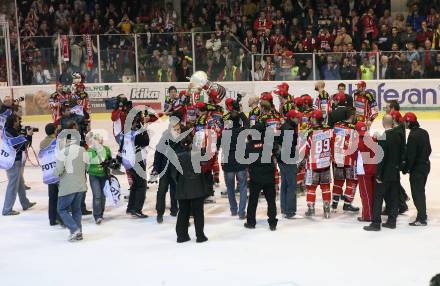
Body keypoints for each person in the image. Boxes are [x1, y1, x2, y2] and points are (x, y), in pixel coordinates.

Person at [364, 115, 404, 231]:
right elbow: (402, 153)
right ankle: (392, 221)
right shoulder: (398, 136)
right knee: (393, 197)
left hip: (384, 174)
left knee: (378, 197)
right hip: (395, 172)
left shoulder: (383, 137)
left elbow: (381, 158)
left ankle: (376, 223)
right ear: (392, 123)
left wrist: (378, 174)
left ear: (383, 123)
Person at [245, 100, 278, 231]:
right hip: (269, 174)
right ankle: (272, 223)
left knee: (253, 200)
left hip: (256, 176)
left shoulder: (250, 145)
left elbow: (246, 159)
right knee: (271, 201)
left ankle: (251, 222)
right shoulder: (269, 142)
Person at [173, 133, 209, 243]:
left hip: (182, 187)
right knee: (198, 213)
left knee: (183, 212)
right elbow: (206, 162)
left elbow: (174, 174)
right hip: (197, 187)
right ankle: (200, 236)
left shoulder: (176, 156)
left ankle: (181, 236)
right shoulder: (197, 153)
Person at [55, 123, 87, 242]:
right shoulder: (83, 150)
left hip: (68, 187)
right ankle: (79, 232)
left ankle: (74, 230)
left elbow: (58, 170)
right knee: (76, 210)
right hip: (81, 185)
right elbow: (87, 166)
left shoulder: (63, 152)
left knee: (62, 210)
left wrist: (55, 174)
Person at [2, 115, 36, 216]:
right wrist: (28, 136)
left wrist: (23, 135)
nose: (19, 122)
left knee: (20, 183)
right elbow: (21, 147)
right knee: (12, 186)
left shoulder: (7, 130)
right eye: (17, 121)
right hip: (13, 162)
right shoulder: (11, 132)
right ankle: (7, 209)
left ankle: (25, 203)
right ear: (13, 122)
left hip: (10, 160)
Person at [403, 112, 431, 226]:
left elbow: (411, 156)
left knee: (417, 193)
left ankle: (422, 218)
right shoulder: (424, 132)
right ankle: (422, 214)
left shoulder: (413, 135)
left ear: (409, 122)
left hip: (417, 169)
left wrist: (406, 168)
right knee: (420, 191)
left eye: (405, 122)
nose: (404, 124)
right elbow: (429, 149)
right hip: (425, 166)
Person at [304, 110, 333, 218]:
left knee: (311, 188)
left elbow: (305, 150)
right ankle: (327, 211)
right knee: (326, 187)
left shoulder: (310, 132)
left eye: (311, 117)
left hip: (313, 165)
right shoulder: (328, 131)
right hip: (325, 164)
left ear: (314, 119)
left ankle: (311, 209)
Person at [330, 107, 359, 212]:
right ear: (352, 116)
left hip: (337, 159)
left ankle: (334, 205)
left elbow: (331, 141)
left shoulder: (335, 126)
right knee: (352, 181)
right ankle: (347, 204)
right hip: (349, 160)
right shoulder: (353, 129)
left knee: (338, 181)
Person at [154, 119, 183, 223]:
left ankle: (174, 210)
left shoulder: (182, 139)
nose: (178, 131)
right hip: (165, 170)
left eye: (179, 129)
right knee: (162, 191)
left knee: (175, 190)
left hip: (176, 170)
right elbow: (158, 154)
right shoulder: (164, 139)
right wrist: (156, 169)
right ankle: (160, 213)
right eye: (175, 129)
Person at [123, 111, 150, 218]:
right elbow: (145, 142)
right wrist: (144, 128)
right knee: (141, 186)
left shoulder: (125, 132)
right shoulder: (136, 133)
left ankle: (130, 207)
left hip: (128, 162)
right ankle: (137, 209)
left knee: (135, 185)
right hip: (136, 162)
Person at [221, 110, 248, 219]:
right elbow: (247, 123)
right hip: (240, 163)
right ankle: (241, 212)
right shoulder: (242, 131)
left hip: (228, 163)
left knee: (230, 188)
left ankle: (233, 210)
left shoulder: (225, 133)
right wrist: (241, 112)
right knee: (242, 187)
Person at [86, 132, 112, 224]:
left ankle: (101, 213)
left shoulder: (107, 149)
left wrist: (109, 163)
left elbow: (111, 161)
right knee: (97, 195)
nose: (100, 143)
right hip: (94, 176)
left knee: (103, 195)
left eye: (101, 142)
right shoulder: (89, 151)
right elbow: (86, 165)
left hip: (104, 175)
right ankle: (97, 216)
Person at [39, 123, 62, 226]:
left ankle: (52, 219)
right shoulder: (56, 142)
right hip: (57, 172)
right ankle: (60, 218)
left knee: (52, 196)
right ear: (55, 131)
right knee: (60, 196)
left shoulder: (42, 143)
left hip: (48, 172)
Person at [278, 109, 298, 219]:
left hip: (282, 160)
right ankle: (290, 210)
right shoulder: (289, 129)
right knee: (291, 185)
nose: (298, 120)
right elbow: (289, 147)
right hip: (288, 160)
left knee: (285, 184)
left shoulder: (284, 126)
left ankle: (284, 208)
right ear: (291, 118)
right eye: (296, 118)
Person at [355, 121, 377, 222]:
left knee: (366, 194)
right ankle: (374, 213)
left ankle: (367, 216)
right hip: (374, 168)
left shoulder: (357, 141)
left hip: (363, 171)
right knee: (373, 193)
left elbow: (351, 156)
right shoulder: (372, 138)